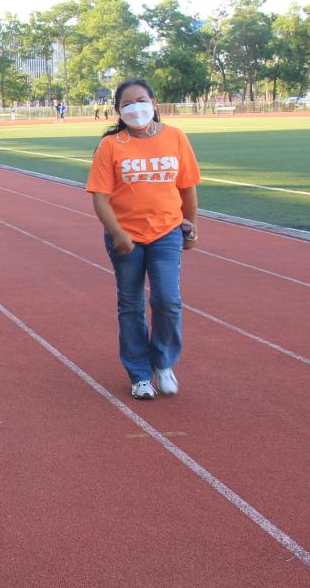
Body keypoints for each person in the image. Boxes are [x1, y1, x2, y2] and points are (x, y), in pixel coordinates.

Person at [86, 78, 200, 401]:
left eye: (141, 100)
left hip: (167, 232)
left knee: (167, 300)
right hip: (126, 238)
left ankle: (163, 363)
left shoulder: (176, 138)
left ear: (154, 102)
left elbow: (187, 187)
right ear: (118, 111)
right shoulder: (111, 146)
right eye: (127, 104)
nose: (135, 108)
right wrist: (117, 232)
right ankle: (139, 374)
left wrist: (192, 225)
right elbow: (99, 197)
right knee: (130, 304)